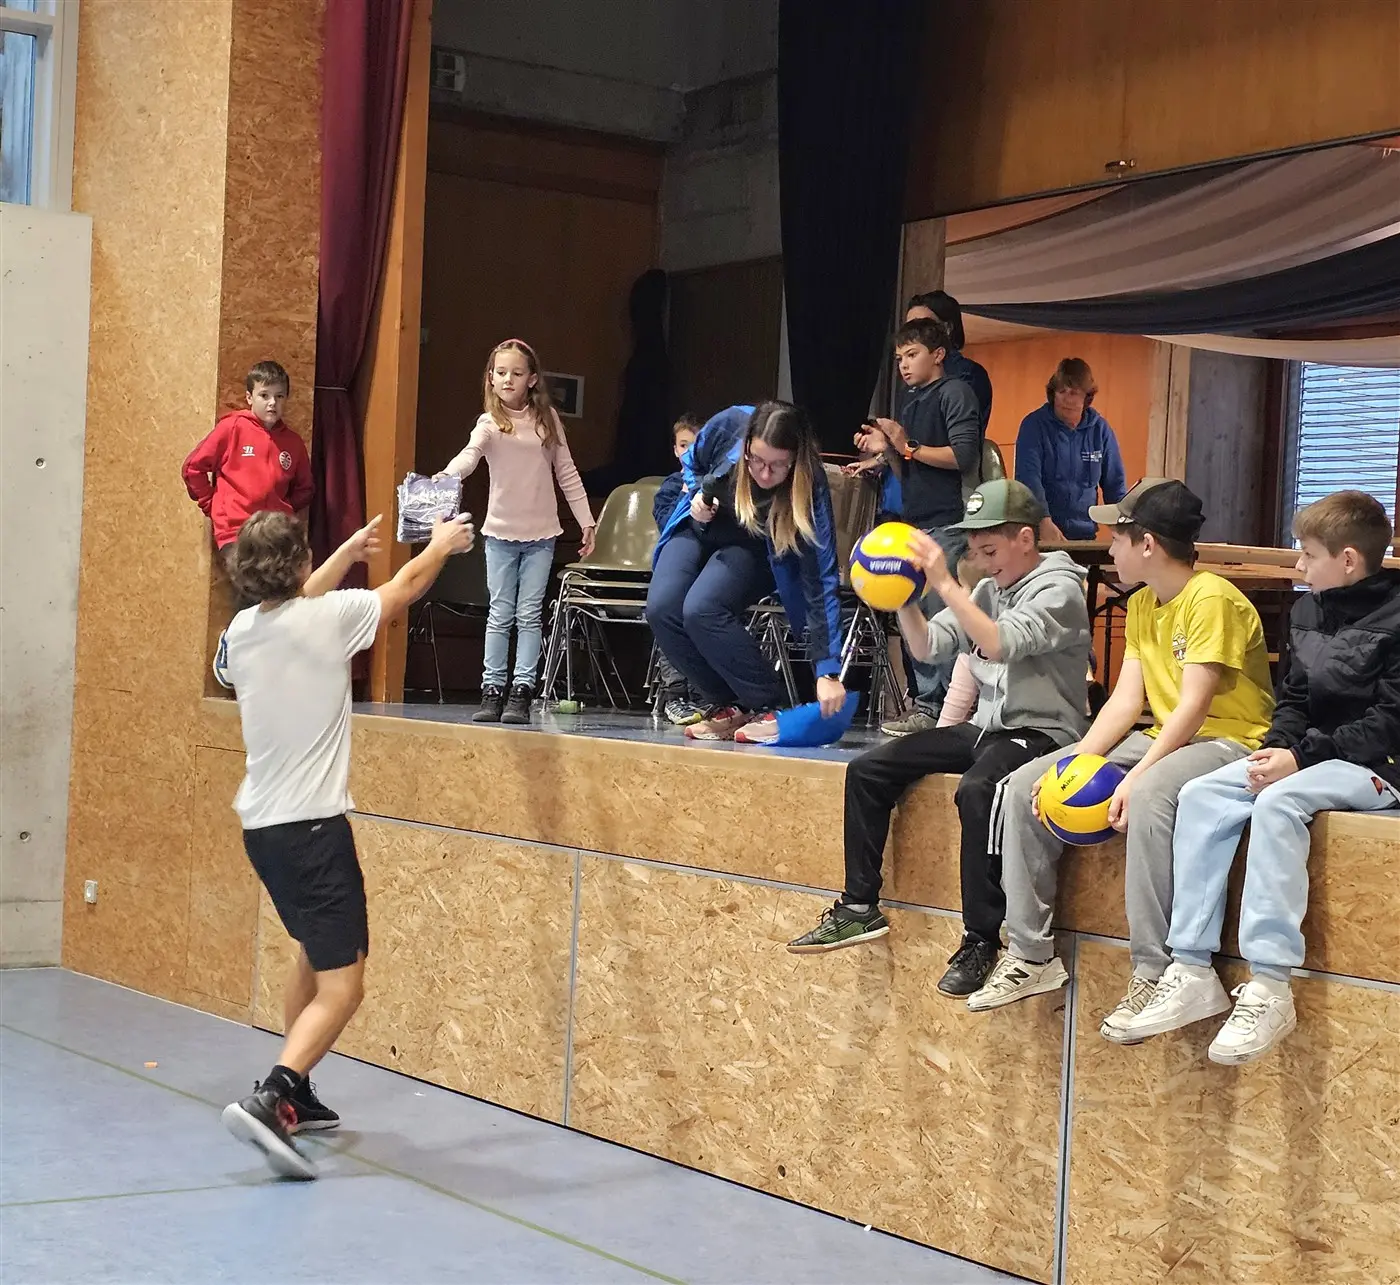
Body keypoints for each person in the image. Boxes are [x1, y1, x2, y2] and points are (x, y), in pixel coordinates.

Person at [215, 506, 476, 1179]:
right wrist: (442, 543)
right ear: (301, 562)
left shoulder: (241, 633)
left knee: (311, 948)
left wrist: (340, 556)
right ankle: (272, 1094)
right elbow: (407, 586)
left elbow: (290, 605)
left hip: (263, 830)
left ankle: (295, 1087)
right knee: (345, 984)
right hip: (312, 829)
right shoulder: (329, 620)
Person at [967, 479, 1275, 1042]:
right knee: (1020, 784)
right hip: (1167, 733)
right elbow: (1128, 701)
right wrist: (1072, 765)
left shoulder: (1213, 599)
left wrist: (1136, 775)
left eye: (1118, 538)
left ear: (1149, 544)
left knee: (1155, 795)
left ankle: (1154, 972)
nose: (1110, 550)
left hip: (1233, 741)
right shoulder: (1141, 604)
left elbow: (1194, 706)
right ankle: (1031, 955)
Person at [1117, 491, 1400, 1062]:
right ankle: (1191, 966)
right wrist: (1274, 750)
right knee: (1202, 793)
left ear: (1347, 560)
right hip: (1311, 755)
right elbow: (1293, 698)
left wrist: (1301, 759)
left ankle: (1270, 984)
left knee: (1279, 804)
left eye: (1308, 556)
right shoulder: (1308, 611)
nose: (1298, 567)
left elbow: (1389, 722)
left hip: (1377, 767)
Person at [787, 481, 1092, 999]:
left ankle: (981, 940)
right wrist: (905, 598)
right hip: (990, 727)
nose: (981, 561)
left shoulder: (1058, 589)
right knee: (868, 769)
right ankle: (859, 907)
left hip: (1043, 734)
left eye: (989, 550)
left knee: (978, 790)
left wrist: (945, 581)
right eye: (973, 551)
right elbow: (929, 647)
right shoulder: (989, 591)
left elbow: (1000, 642)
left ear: (1025, 539)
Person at [646, 401, 845, 743]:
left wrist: (827, 669)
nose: (765, 474)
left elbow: (820, 575)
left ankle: (770, 704)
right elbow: (691, 462)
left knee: (702, 609)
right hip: (699, 524)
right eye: (757, 461)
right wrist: (696, 495)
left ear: (795, 458)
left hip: (752, 543)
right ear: (746, 446)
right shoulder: (728, 424)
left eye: (778, 465)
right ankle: (728, 705)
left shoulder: (810, 485)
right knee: (661, 608)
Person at [438, 339, 596, 725]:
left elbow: (567, 472)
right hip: (501, 535)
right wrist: (446, 476)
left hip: (542, 534)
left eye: (516, 373)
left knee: (529, 615)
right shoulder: (490, 423)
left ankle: (521, 692)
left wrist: (586, 520)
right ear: (491, 379)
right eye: (501, 372)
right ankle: (492, 690)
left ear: (532, 379)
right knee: (500, 613)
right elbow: (471, 455)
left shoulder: (548, 420)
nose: (508, 379)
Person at [859, 318, 982, 735]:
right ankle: (928, 705)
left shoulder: (956, 392)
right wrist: (885, 452)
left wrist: (906, 445)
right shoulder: (912, 401)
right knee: (915, 610)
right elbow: (908, 467)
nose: (904, 365)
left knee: (943, 616)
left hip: (951, 519)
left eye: (912, 355)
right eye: (899, 359)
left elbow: (963, 456)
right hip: (916, 520)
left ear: (938, 355)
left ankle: (949, 709)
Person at [182, 360, 314, 574]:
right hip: (237, 533)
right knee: (250, 596)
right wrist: (212, 505)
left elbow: (305, 488)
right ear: (249, 397)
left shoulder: (293, 442)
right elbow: (193, 469)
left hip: (277, 535)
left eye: (279, 396)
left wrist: (283, 513)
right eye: (264, 395)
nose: (272, 403)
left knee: (282, 600)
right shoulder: (232, 428)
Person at [1014, 358, 1126, 543]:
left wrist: (1123, 529)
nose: (1066, 399)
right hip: (1041, 533)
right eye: (1061, 391)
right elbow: (1028, 479)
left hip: (1085, 535)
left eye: (1074, 393)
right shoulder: (1034, 425)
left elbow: (1115, 485)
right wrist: (1043, 521)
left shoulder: (1101, 430)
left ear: (1086, 397)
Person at [651, 414, 706, 725]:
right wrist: (686, 497)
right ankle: (676, 694)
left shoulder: (718, 486)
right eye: (683, 445)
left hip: (705, 572)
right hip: (675, 571)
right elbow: (665, 523)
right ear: (674, 449)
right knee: (667, 617)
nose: (689, 452)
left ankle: (706, 694)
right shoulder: (672, 486)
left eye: (695, 445)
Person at [903, 290, 992, 433]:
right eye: (909, 327)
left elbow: (959, 445)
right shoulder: (911, 379)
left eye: (922, 326)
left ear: (947, 329)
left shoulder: (968, 374)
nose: (912, 335)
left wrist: (904, 446)